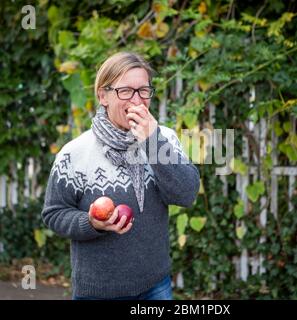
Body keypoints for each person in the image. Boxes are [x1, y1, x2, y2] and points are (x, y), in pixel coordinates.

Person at [41, 52, 200, 300]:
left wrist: (152, 143)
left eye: (143, 91)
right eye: (126, 91)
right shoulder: (75, 153)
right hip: (98, 291)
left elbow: (186, 194)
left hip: (155, 285)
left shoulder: (164, 139)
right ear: (103, 96)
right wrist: (91, 223)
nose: (137, 100)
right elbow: (54, 213)